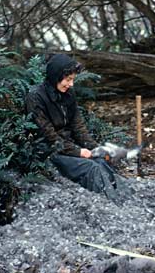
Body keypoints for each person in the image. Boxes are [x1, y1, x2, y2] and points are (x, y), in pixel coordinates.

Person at [26, 54, 124, 203]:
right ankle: (107, 206)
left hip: (68, 147)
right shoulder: (35, 98)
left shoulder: (68, 94)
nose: (71, 84)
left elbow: (79, 127)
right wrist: (78, 152)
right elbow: (48, 137)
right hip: (48, 152)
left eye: (72, 79)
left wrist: (95, 148)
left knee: (102, 162)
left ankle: (123, 201)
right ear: (55, 77)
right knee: (91, 168)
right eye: (68, 80)